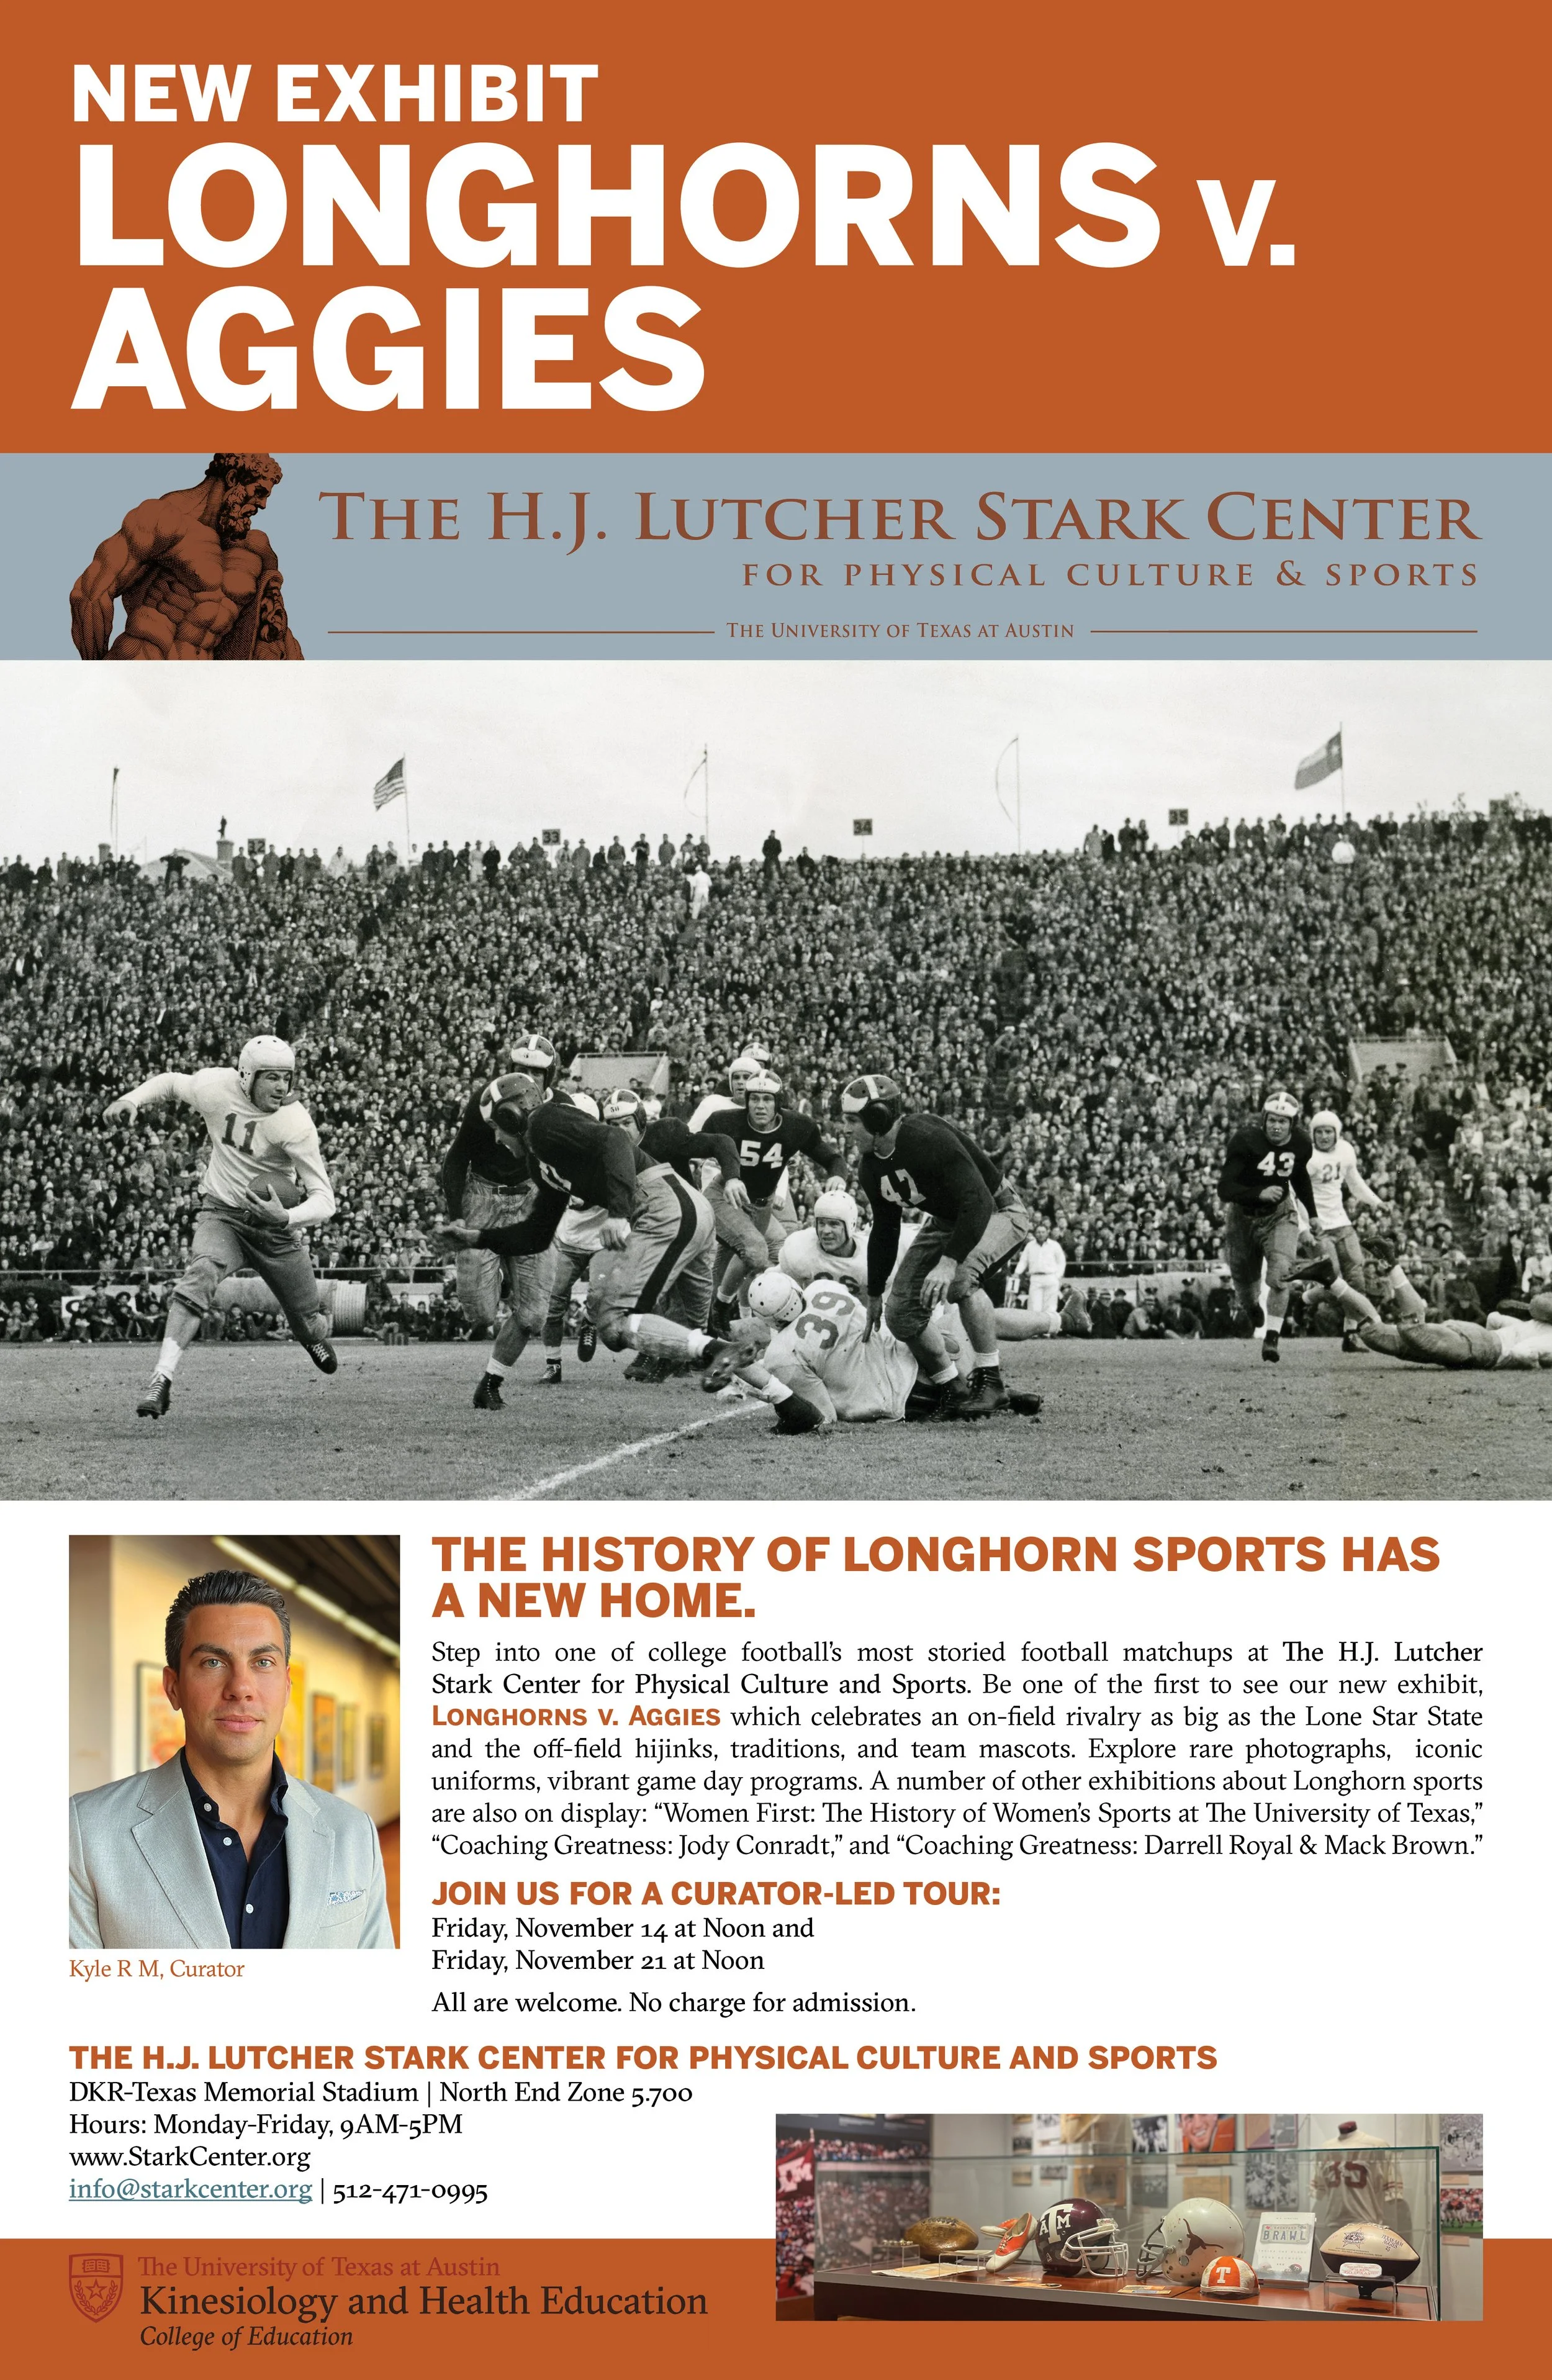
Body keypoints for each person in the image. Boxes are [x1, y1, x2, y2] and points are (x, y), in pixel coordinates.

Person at [69, 1571, 390, 1950]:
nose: (240, 1687)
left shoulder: (355, 1834)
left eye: (263, 1662)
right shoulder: (86, 1834)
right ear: (173, 1688)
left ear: (287, 1687)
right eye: (213, 1662)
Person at [438, 1076, 742, 1390]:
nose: (497, 1138)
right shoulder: (539, 1158)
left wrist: (618, 1213)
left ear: (511, 1115)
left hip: (661, 1205)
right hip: (682, 1206)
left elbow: (616, 1139)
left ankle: (716, 1351)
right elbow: (537, 1234)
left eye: (496, 1128)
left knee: (612, 1322)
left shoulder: (543, 1120)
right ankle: (779, 1393)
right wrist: (481, 1238)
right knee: (692, 1330)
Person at [104, 1036, 337, 1419]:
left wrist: (286, 1218)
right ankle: (161, 1379)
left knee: (309, 1321)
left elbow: (324, 1199)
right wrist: (132, 1099)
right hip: (223, 1213)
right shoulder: (215, 1085)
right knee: (200, 1274)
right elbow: (170, 1083)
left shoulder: (295, 1123)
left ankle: (309, 1337)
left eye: (287, 1078)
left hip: (273, 1228)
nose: (282, 1087)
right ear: (247, 1076)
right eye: (272, 1078)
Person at [840, 1074, 1032, 1417]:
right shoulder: (871, 1167)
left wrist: (948, 1262)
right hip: (948, 1222)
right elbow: (886, 1227)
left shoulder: (927, 1137)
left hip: (996, 1209)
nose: (846, 1130)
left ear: (878, 1118)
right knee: (900, 1315)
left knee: (960, 1279)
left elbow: (977, 1201)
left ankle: (992, 1383)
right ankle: (953, 1388)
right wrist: (873, 1294)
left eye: (853, 1121)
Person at [70, 453, 302, 660]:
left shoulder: (255, 549)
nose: (262, 505)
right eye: (259, 492)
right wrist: (96, 670)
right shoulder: (166, 519)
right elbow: (91, 593)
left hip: (199, 685)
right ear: (232, 479)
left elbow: (273, 622)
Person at [441, 1034, 563, 1400]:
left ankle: (490, 1384)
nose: (528, 1078)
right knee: (479, 1313)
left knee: (533, 1317)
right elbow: (456, 1158)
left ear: (551, 1076)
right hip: (484, 1198)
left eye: (537, 1073)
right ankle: (503, 1275)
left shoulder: (562, 1107)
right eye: (521, 1070)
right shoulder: (485, 1101)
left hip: (532, 1198)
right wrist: (458, 1215)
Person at [698, 1069, 847, 1323]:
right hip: (725, 1197)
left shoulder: (796, 1127)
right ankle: (722, 1312)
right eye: (754, 1099)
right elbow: (700, 1144)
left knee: (738, 1257)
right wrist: (725, 1166)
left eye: (767, 1099)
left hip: (762, 1205)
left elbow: (832, 1157)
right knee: (756, 1251)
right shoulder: (726, 1121)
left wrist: (838, 1175)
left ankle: (719, 1309)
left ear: (778, 1102)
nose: (759, 1106)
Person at [1217, 1088, 1317, 1364]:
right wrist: (1257, 1193)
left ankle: (1272, 1338)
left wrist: (1314, 1214)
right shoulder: (1246, 1141)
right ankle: (1251, 1308)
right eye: (1272, 1120)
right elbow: (1225, 1188)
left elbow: (1300, 1177)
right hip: (1243, 1217)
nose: (1277, 1126)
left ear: (1292, 1124)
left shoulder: (1301, 1144)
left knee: (1280, 1274)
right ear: (1264, 1120)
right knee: (1244, 1282)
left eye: (1283, 1121)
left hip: (1280, 1215)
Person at [778, 1188, 873, 1295]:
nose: (826, 1231)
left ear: (850, 1225)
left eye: (834, 1224)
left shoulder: (870, 1257)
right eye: (822, 1223)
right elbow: (777, 1283)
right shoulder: (802, 1249)